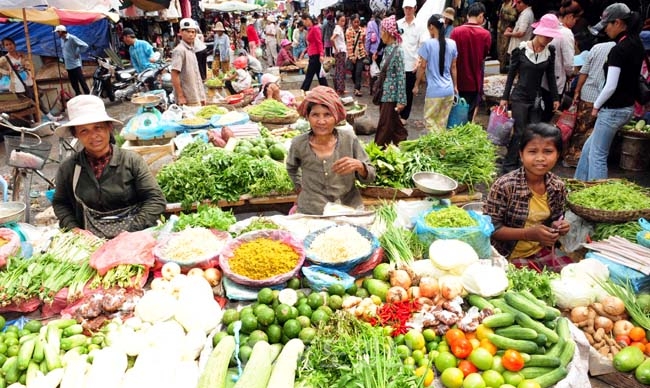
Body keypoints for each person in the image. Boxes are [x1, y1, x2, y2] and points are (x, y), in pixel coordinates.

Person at [52, 95, 166, 238]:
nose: (93, 136)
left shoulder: (131, 161)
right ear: (76, 135)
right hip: (90, 242)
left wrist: (130, 232)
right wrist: (74, 229)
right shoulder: (69, 168)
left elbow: (156, 199)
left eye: (98, 128)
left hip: (134, 237)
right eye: (84, 131)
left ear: (109, 127)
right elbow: (60, 203)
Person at [484, 123, 571, 272]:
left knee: (573, 277)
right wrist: (528, 234)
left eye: (548, 151)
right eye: (532, 151)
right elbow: (491, 228)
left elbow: (556, 218)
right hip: (506, 255)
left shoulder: (557, 186)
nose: (540, 158)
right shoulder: (505, 185)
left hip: (540, 250)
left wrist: (559, 226)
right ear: (521, 154)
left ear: (558, 155)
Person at [575, 3, 644, 181]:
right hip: (626, 108)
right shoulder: (636, 44)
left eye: (607, 25)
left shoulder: (618, 50)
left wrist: (596, 106)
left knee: (597, 155)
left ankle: (597, 196)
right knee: (588, 149)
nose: (606, 30)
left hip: (612, 110)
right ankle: (577, 186)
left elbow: (611, 85)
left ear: (619, 23)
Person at [286, 86, 376, 215]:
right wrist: (300, 188)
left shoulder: (349, 139)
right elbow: (291, 167)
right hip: (312, 210)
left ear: (336, 117)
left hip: (347, 207)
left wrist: (360, 167)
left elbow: (371, 175)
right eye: (315, 115)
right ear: (308, 117)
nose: (321, 121)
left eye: (327, 115)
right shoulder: (299, 143)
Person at [500, 15, 562, 174]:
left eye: (550, 37)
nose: (548, 39)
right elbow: (511, 75)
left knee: (533, 132)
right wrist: (504, 97)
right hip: (519, 96)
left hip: (536, 98)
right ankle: (509, 165)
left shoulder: (550, 52)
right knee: (519, 131)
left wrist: (555, 97)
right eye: (545, 36)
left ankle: (525, 164)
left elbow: (550, 76)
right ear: (538, 32)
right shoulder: (521, 50)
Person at [564, 40, 615, 167]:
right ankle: (589, 160)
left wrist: (577, 90)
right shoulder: (623, 49)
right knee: (596, 131)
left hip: (589, 95)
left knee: (581, 129)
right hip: (608, 97)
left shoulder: (597, 47)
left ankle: (573, 158)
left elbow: (584, 72)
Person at [415, 14, 458, 133]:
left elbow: (422, 66)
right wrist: (455, 86)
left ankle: (433, 150)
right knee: (442, 124)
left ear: (432, 27)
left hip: (434, 91)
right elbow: (453, 67)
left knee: (430, 122)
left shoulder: (428, 45)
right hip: (448, 90)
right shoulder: (452, 44)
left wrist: (416, 84)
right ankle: (441, 150)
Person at [0, 37, 61, 121]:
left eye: (10, 44)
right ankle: (34, 120)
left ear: (14, 44)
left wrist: (29, 71)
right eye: (6, 45)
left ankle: (49, 117)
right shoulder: (4, 59)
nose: (9, 46)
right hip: (17, 84)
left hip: (28, 81)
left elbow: (29, 65)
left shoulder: (21, 55)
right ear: (4, 47)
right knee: (27, 102)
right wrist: (7, 72)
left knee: (37, 98)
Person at [450, 2, 492, 121]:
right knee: (468, 115)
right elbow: (483, 55)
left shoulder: (455, 32)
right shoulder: (485, 34)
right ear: (481, 16)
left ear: (468, 15)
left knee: (453, 113)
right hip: (474, 80)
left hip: (456, 80)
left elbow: (451, 56)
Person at [540, 4, 581, 122]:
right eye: (575, 20)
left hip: (543, 77)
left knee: (542, 111)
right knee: (548, 112)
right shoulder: (566, 33)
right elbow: (569, 63)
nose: (575, 23)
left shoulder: (553, 27)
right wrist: (571, 73)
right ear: (569, 17)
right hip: (556, 79)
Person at [374, 16, 407, 147]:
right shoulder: (387, 49)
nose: (380, 34)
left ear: (388, 32)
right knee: (394, 125)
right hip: (384, 93)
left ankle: (377, 151)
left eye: (382, 31)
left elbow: (401, 76)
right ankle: (404, 145)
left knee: (384, 126)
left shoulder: (398, 51)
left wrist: (401, 100)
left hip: (391, 96)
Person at [398, 0, 427, 126]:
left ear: (415, 8)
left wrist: (419, 61)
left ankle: (404, 116)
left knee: (408, 91)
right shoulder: (398, 24)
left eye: (410, 8)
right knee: (396, 89)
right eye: (406, 8)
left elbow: (422, 45)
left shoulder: (420, 25)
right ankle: (396, 113)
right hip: (398, 63)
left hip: (411, 64)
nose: (408, 11)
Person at [171, 18, 206, 107]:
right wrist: (180, 96)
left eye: (193, 32)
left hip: (195, 94)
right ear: (181, 32)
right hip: (187, 98)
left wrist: (201, 96)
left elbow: (196, 75)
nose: (191, 34)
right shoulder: (179, 50)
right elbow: (174, 74)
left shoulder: (191, 49)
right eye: (188, 31)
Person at [54, 25, 90, 95]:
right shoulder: (62, 39)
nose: (57, 34)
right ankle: (78, 95)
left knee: (81, 81)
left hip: (75, 64)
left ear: (61, 32)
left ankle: (88, 95)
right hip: (68, 65)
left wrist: (77, 53)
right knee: (74, 83)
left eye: (58, 32)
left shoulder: (72, 38)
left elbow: (85, 46)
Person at [300, 14, 328, 91]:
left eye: (304, 21)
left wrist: (321, 54)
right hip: (313, 55)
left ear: (308, 20)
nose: (303, 23)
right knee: (320, 77)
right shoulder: (311, 29)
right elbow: (311, 44)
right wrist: (304, 52)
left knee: (309, 76)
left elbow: (319, 42)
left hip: (315, 55)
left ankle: (303, 91)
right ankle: (328, 91)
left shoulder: (315, 29)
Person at [345, 14, 367, 97]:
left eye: (358, 22)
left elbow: (363, 42)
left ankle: (357, 89)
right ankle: (356, 86)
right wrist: (351, 56)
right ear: (352, 22)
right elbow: (349, 44)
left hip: (361, 54)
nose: (357, 24)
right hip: (353, 54)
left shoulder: (362, 30)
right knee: (353, 73)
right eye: (355, 22)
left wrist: (365, 51)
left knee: (359, 72)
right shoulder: (348, 31)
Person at [497, 1, 518, 73]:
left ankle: (503, 68)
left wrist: (505, 16)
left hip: (506, 30)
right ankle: (500, 66)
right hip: (500, 29)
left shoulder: (513, 5)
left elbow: (514, 18)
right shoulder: (503, 4)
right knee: (499, 49)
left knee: (504, 49)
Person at [331, 14, 347, 95]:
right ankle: (340, 89)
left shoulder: (339, 28)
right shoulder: (338, 29)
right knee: (340, 71)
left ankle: (339, 88)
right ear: (337, 21)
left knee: (339, 70)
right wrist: (336, 49)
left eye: (344, 20)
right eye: (342, 20)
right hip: (340, 52)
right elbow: (332, 39)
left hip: (340, 51)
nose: (343, 22)